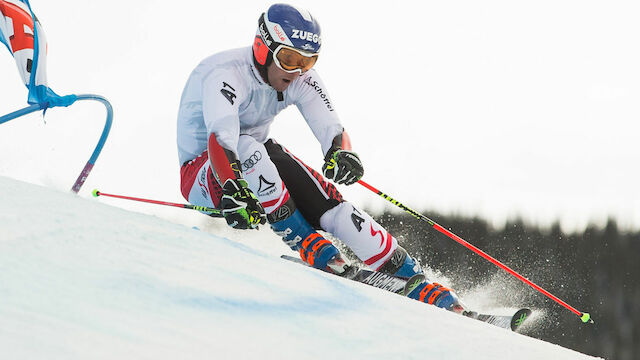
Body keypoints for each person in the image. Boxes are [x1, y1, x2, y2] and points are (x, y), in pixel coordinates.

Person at [177, 3, 464, 313]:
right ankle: (306, 242)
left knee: (331, 205)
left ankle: (412, 277)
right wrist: (234, 188)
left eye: (307, 61)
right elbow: (221, 139)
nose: (297, 71)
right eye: (289, 59)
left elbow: (332, 128)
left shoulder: (299, 77)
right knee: (250, 147)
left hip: (258, 163)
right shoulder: (225, 73)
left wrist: (341, 154)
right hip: (207, 174)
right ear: (262, 48)